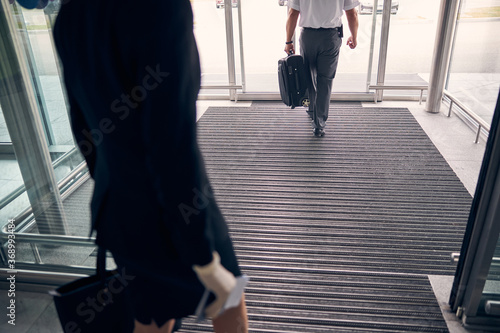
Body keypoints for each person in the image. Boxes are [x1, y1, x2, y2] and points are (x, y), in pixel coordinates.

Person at [50, 0, 248, 332]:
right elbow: (172, 146)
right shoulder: (163, 7)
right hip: (175, 214)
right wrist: (204, 258)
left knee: (153, 316)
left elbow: (82, 128)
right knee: (229, 305)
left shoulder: (70, 15)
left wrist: (118, 191)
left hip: (120, 214)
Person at [285, 0, 359, 137]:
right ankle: (319, 124)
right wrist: (354, 36)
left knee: (308, 75)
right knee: (325, 80)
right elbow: (352, 13)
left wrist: (289, 41)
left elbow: (292, 13)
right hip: (330, 38)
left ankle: (312, 109)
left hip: (308, 37)